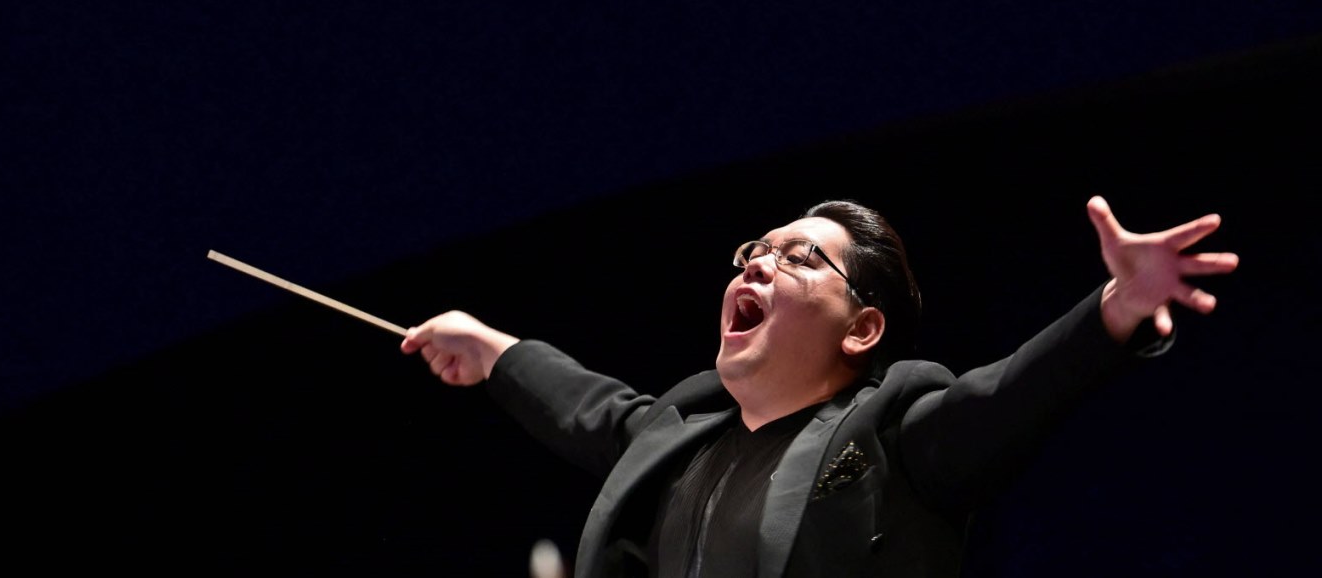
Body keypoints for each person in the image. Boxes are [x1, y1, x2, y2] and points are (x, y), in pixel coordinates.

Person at [401, 195, 1238, 577]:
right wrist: (492, 348)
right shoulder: (682, 435)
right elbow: (592, 409)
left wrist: (1115, 309)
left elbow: (1008, 395)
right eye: (755, 252)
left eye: (801, 257)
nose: (762, 261)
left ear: (861, 328)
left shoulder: (898, 434)